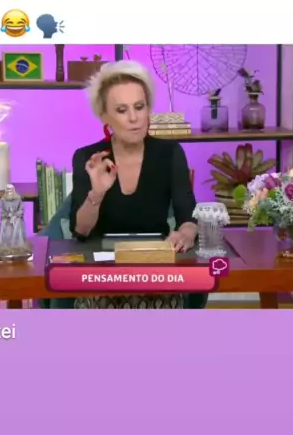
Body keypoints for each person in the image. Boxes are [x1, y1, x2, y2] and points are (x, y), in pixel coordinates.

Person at [68, 60, 202, 309]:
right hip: (102, 276)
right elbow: (81, 231)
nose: (133, 118)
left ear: (148, 108)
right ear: (105, 116)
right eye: (121, 110)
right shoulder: (89, 157)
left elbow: (188, 217)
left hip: (156, 273)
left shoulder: (170, 153)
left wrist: (185, 234)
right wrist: (97, 192)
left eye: (139, 107)